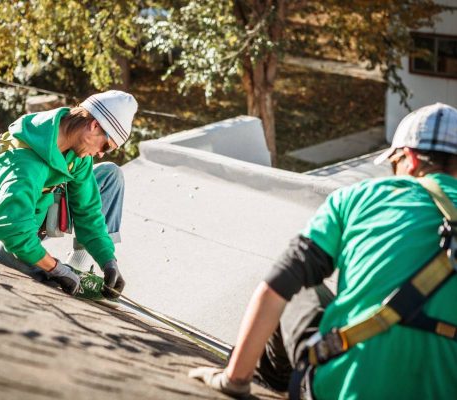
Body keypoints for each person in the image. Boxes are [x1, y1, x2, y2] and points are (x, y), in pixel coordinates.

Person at [190, 103, 457, 399]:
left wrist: (232, 380)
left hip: (344, 388)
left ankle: (268, 385)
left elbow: (275, 288)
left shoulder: (357, 198)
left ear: (409, 158)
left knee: (298, 290)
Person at [0, 90, 138, 299]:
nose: (100, 153)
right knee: (6, 253)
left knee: (110, 174)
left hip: (32, 221)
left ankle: (73, 268)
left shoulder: (77, 153)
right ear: (94, 125)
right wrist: (56, 269)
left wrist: (108, 260)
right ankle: (56, 273)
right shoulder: (25, 162)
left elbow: (87, 211)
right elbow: (12, 230)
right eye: (106, 146)